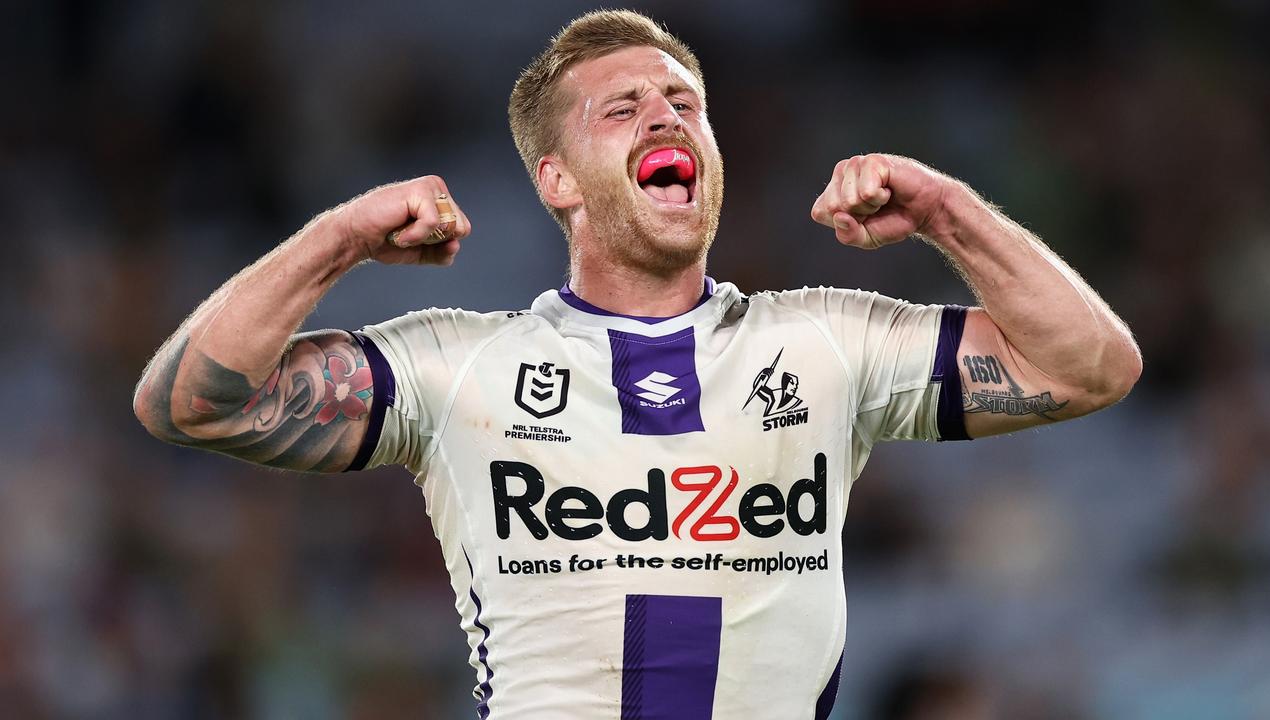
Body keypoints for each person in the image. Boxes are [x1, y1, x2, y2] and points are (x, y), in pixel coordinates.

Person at [133, 9, 1141, 719]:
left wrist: (943, 211)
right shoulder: (457, 368)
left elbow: (1089, 366)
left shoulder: (828, 342)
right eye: (619, 109)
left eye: (682, 102)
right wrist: (340, 237)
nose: (664, 116)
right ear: (555, 180)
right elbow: (187, 402)